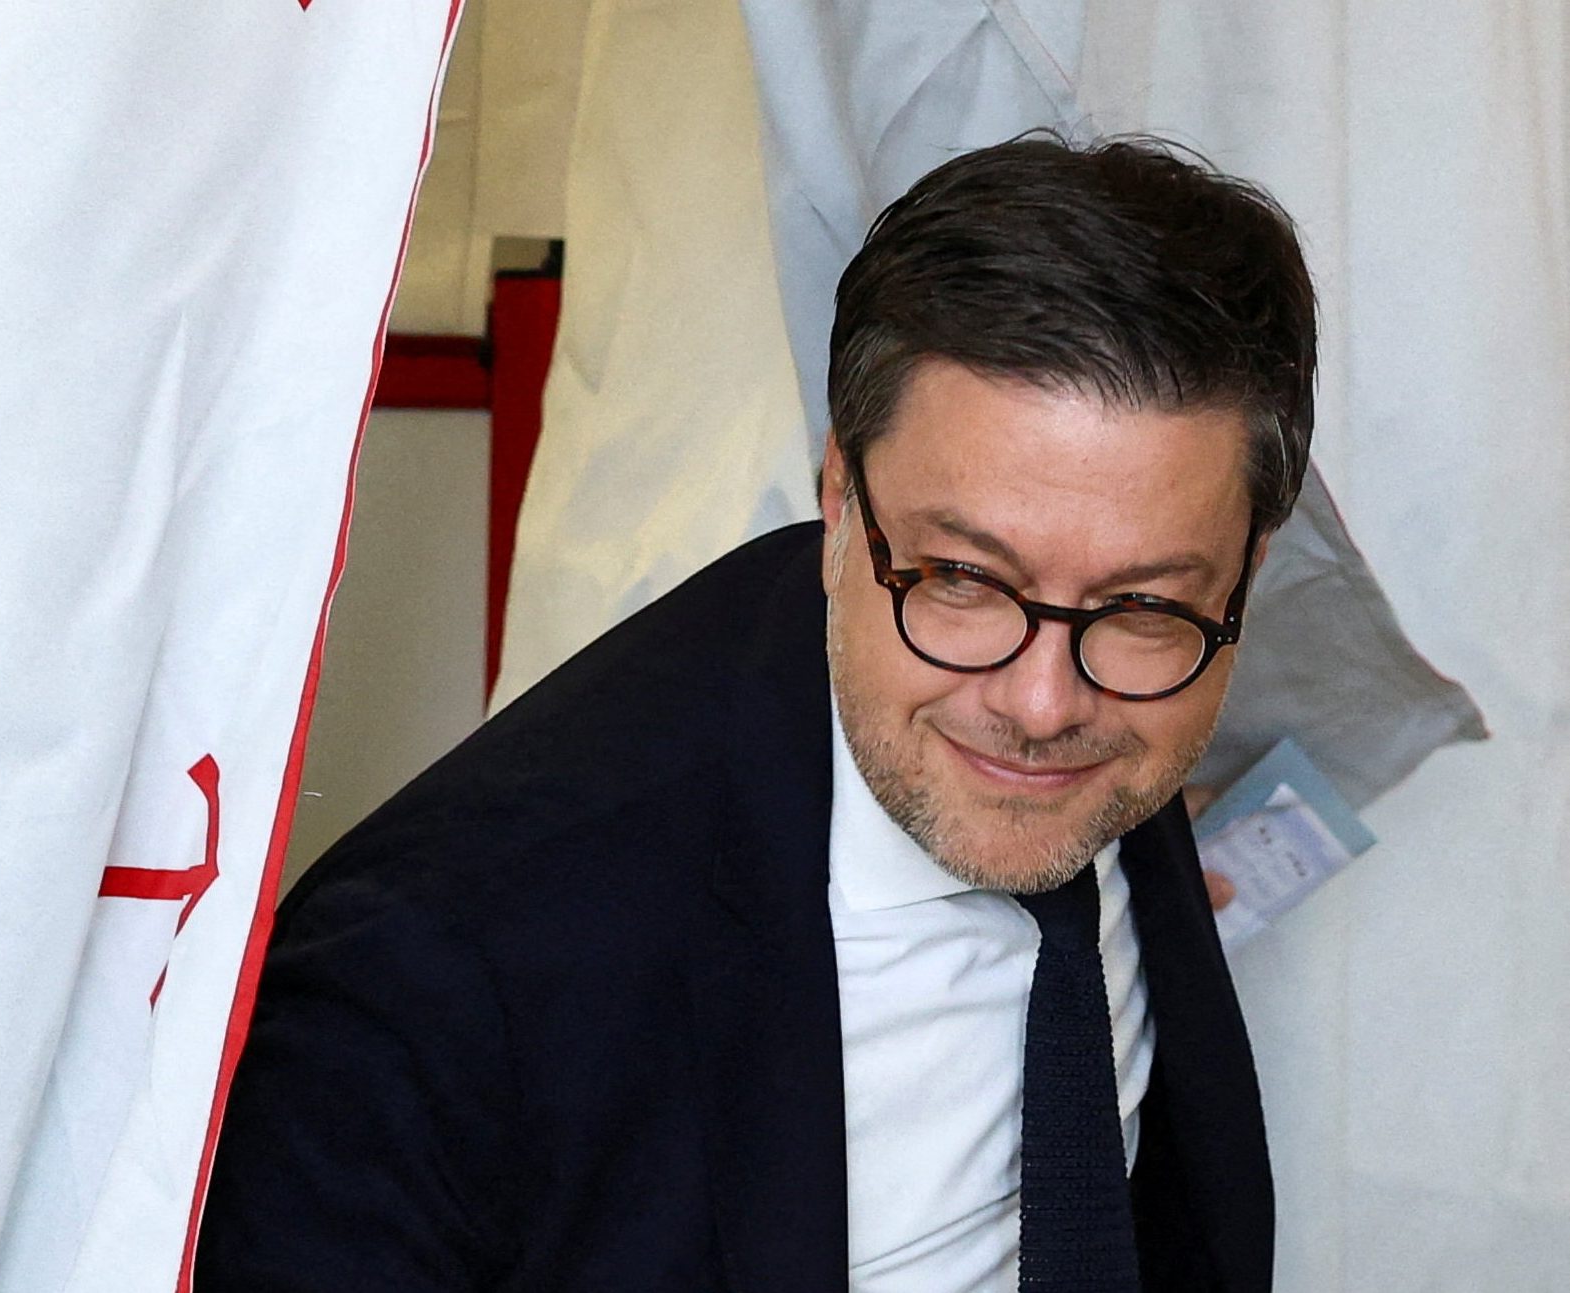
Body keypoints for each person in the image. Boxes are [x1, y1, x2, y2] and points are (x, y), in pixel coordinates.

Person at [195, 132, 1317, 1292]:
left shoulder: (1117, 703)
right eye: (962, 580)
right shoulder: (432, 983)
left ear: (1241, 571)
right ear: (839, 502)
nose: (1041, 706)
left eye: (1139, 606)